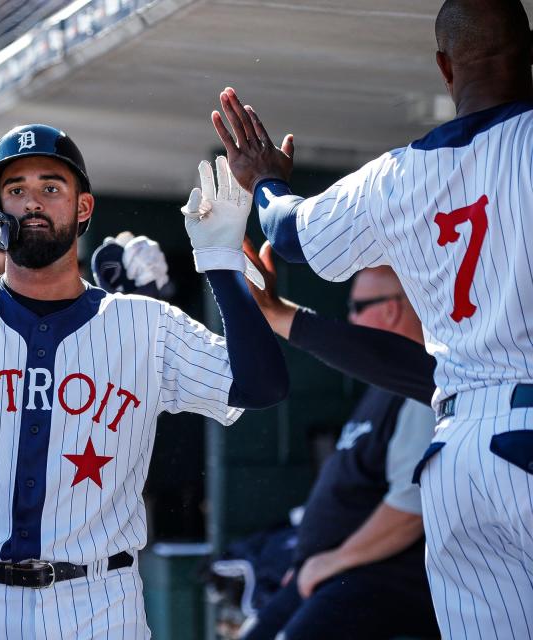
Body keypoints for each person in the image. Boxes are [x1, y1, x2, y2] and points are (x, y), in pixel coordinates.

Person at [0, 124, 288, 637]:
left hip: (100, 604)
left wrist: (221, 265)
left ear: (83, 208)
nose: (33, 202)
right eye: (15, 191)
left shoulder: (145, 323)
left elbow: (261, 387)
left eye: (51, 187)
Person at [211, 0, 533, 635]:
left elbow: (288, 232)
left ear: (444, 68)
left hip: (459, 456)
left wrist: (267, 180)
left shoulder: (399, 175)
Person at [238, 250, 438, 639]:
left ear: (394, 310)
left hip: (378, 578)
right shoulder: (380, 389)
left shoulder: (425, 388)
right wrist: (311, 561)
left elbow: (409, 510)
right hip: (331, 571)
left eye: (358, 307)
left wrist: (331, 562)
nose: (350, 319)